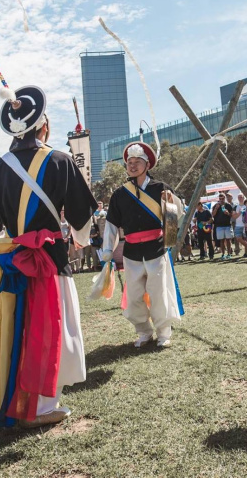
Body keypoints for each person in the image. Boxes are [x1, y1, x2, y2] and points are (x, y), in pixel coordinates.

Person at [0, 85, 96, 428]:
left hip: (17, 260)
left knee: (21, 327)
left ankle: (29, 399)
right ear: (44, 125)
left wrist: (12, 243)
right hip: (51, 258)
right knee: (51, 326)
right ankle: (42, 406)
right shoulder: (59, 160)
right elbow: (82, 216)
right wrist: (80, 240)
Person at [100, 141, 184, 348]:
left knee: (158, 293)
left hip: (156, 249)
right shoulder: (120, 194)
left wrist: (172, 202)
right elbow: (111, 224)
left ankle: (164, 333)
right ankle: (144, 332)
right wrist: (108, 249)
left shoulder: (161, 188)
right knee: (135, 295)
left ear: (147, 165)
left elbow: (175, 219)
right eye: (130, 161)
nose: (133, 165)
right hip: (131, 253)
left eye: (138, 161)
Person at [211, 193, 234, 260]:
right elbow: (213, 214)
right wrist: (216, 208)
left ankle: (229, 254)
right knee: (221, 240)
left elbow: (231, 215)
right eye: (220, 199)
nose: (221, 200)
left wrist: (228, 213)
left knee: (228, 240)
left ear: (225, 198)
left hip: (227, 225)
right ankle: (223, 254)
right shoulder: (215, 205)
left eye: (222, 198)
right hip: (219, 226)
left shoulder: (228, 205)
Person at [231, 193, 247, 258]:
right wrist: (240, 212)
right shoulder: (235, 207)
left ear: (243, 197)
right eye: (239, 197)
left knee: (246, 239)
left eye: (241, 197)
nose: (240, 198)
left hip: (245, 225)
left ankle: (246, 253)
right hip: (238, 225)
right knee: (238, 238)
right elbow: (234, 217)